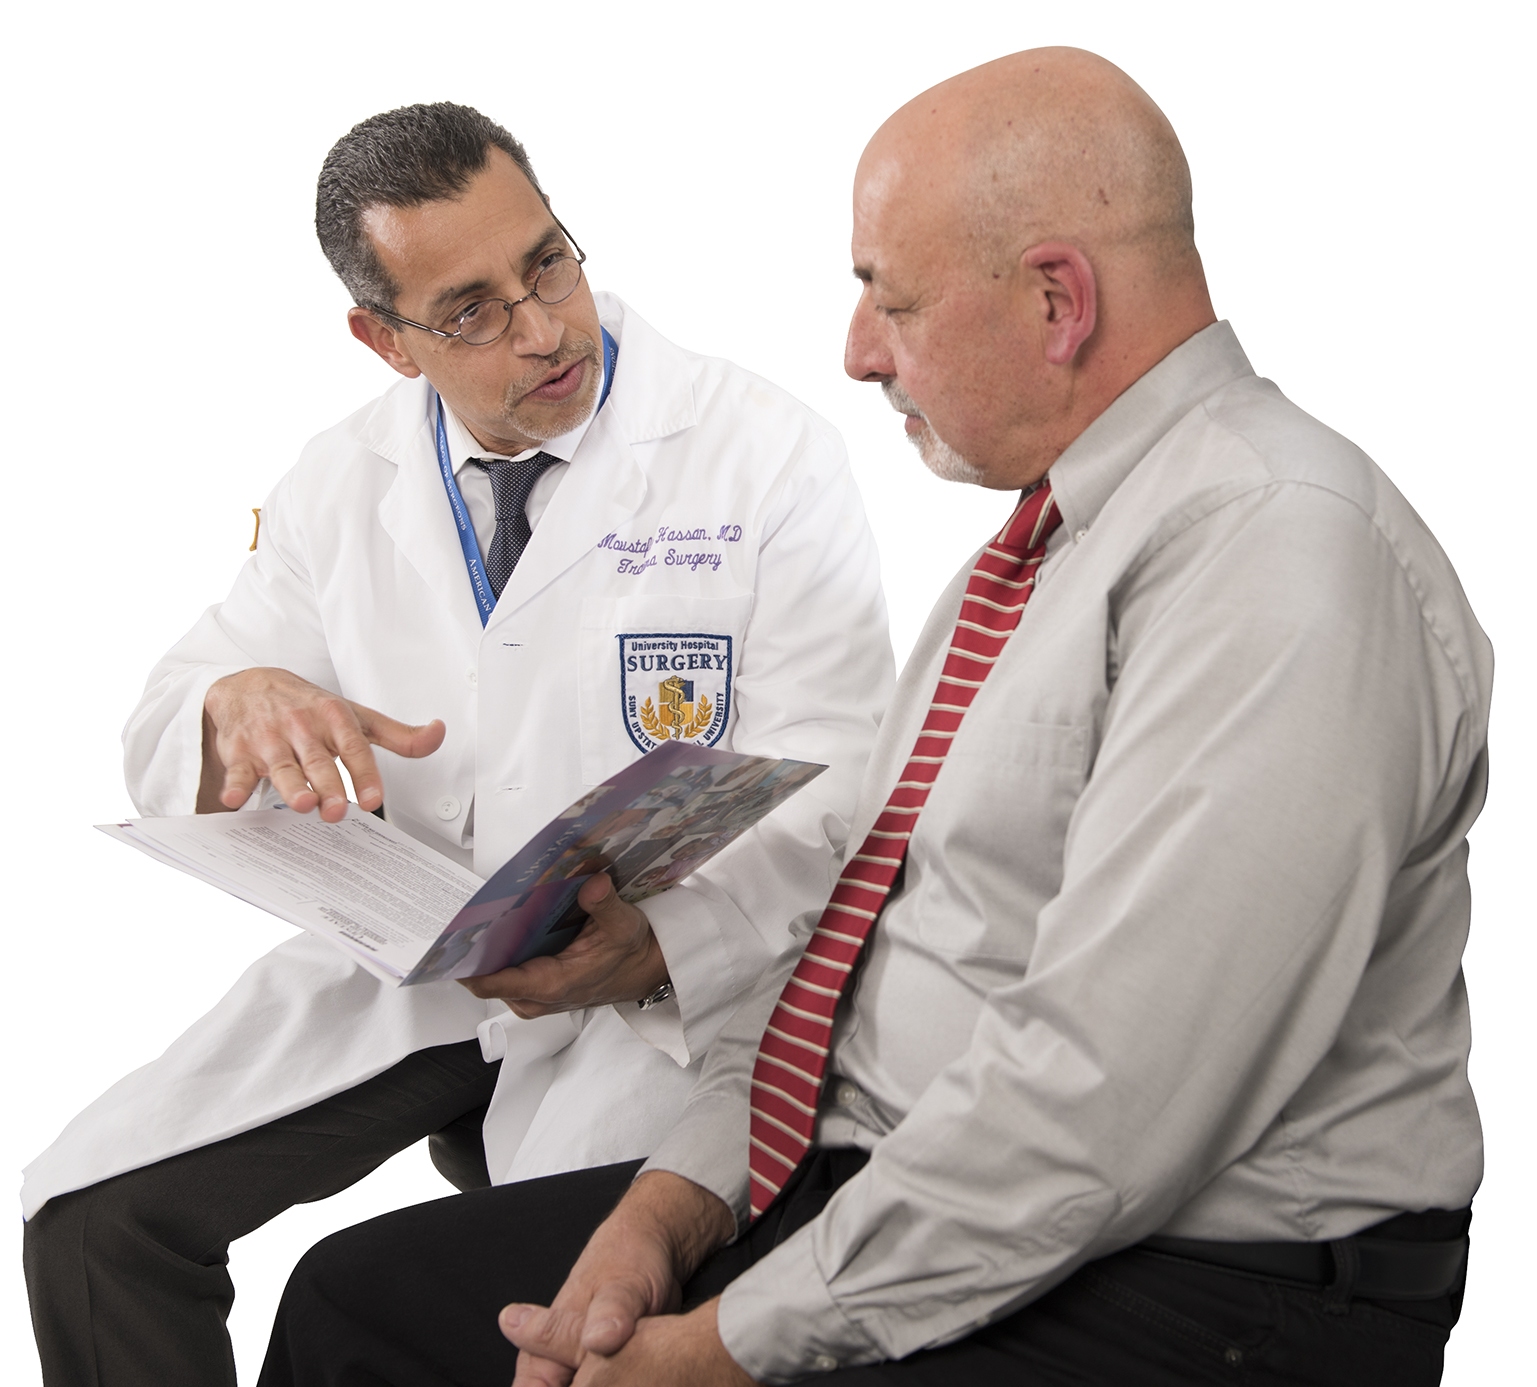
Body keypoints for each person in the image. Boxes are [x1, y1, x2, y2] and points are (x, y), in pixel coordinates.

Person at [257, 48, 1492, 1387]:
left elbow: (1098, 1110)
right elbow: (854, 958)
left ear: (1056, 299)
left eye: (888, 301)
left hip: (1201, 1288)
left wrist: (729, 1343)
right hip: (915, 1176)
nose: (855, 354)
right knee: (359, 1303)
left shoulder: (1278, 557)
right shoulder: (1035, 559)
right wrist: (670, 1209)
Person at [21, 102, 893, 1384]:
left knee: (517, 1326)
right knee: (95, 1225)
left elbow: (847, 777)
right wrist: (241, 699)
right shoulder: (343, 482)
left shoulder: (759, 457)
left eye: (547, 261)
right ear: (382, 338)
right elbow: (174, 712)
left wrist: (659, 943)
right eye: (470, 309)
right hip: (419, 972)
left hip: (665, 999)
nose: (541, 328)